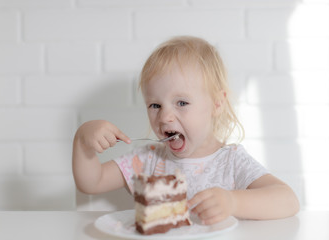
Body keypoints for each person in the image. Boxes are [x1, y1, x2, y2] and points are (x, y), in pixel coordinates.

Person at [72, 36, 299, 225]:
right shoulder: (148, 159)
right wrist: (83, 142)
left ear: (217, 104)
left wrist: (233, 202)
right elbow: (92, 182)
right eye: (155, 105)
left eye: (181, 103)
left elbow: (288, 200)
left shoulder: (231, 162)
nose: (164, 117)